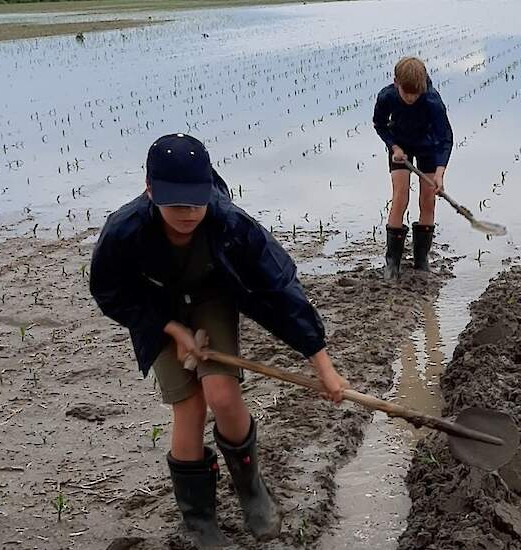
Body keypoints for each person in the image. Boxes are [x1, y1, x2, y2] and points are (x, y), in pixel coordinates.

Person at [89, 133, 350, 548]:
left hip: (211, 297)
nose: (188, 212)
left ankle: (251, 489)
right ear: (150, 189)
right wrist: (170, 329)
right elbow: (109, 291)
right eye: (175, 203)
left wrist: (323, 366)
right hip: (157, 309)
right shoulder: (125, 230)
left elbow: (281, 290)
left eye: (196, 200)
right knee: (189, 407)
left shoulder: (232, 225)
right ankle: (199, 519)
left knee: (222, 394)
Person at [372, 56, 453, 280]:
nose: (410, 98)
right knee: (400, 196)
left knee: (428, 199)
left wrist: (439, 172)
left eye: (415, 94)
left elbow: (445, 138)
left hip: (428, 145)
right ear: (395, 82)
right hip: (401, 146)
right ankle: (392, 263)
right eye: (406, 93)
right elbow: (379, 124)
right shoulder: (387, 96)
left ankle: (421, 261)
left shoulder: (432, 101)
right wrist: (394, 146)